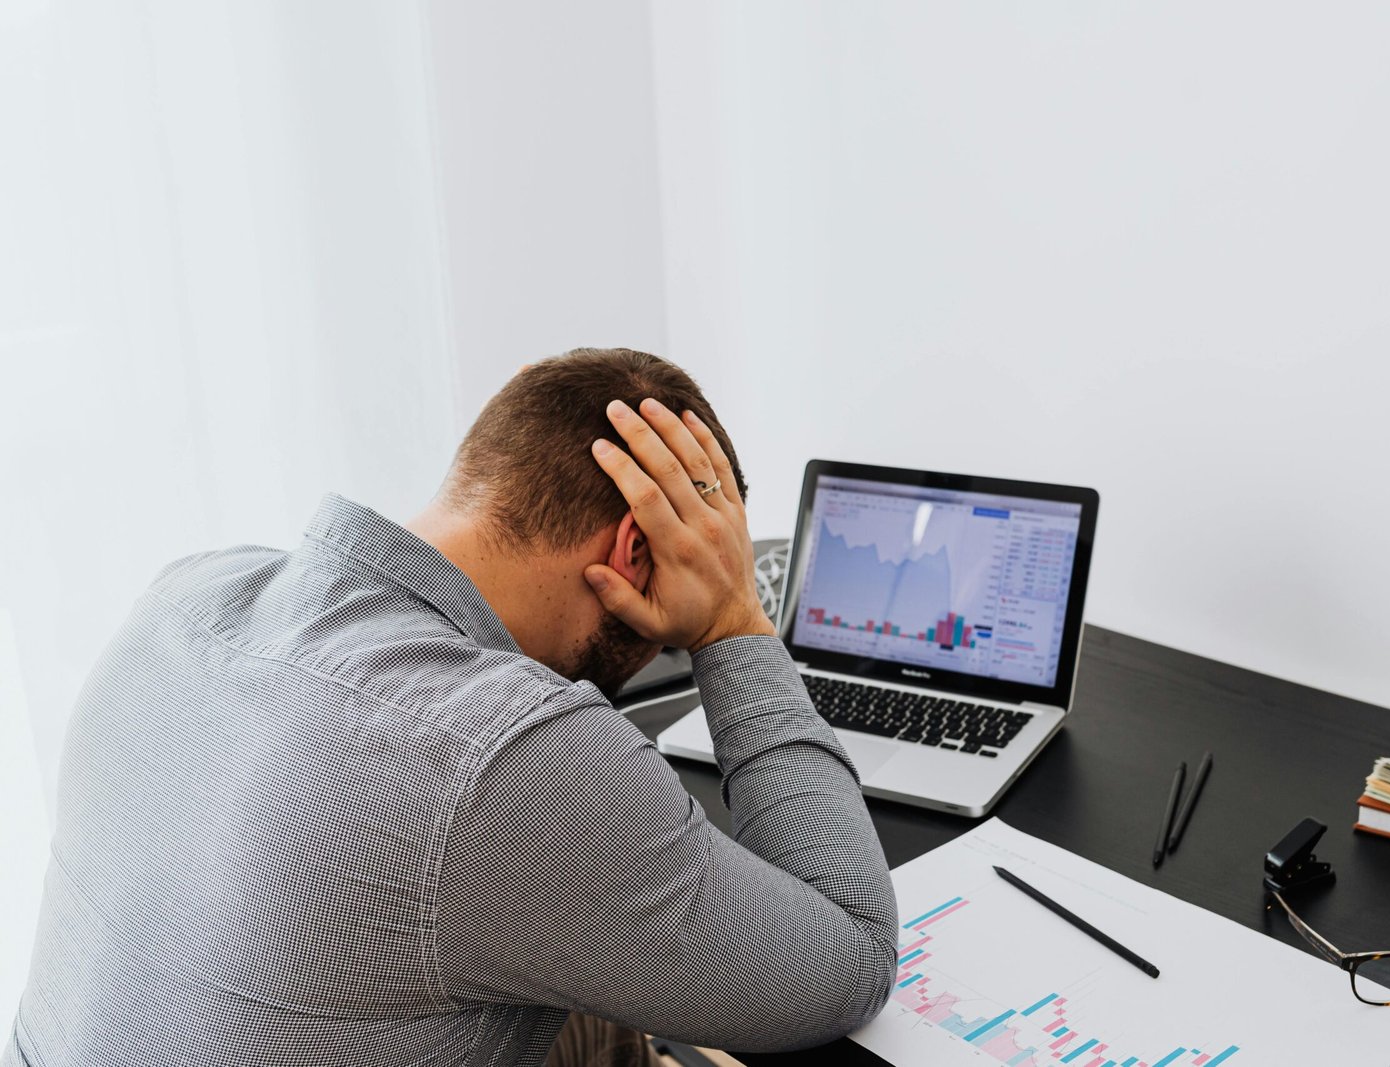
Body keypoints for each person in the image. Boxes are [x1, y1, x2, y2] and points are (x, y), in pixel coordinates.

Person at [5, 349, 899, 1067]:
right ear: (637, 550)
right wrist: (733, 621)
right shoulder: (505, 753)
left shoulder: (185, 597)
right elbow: (849, 954)